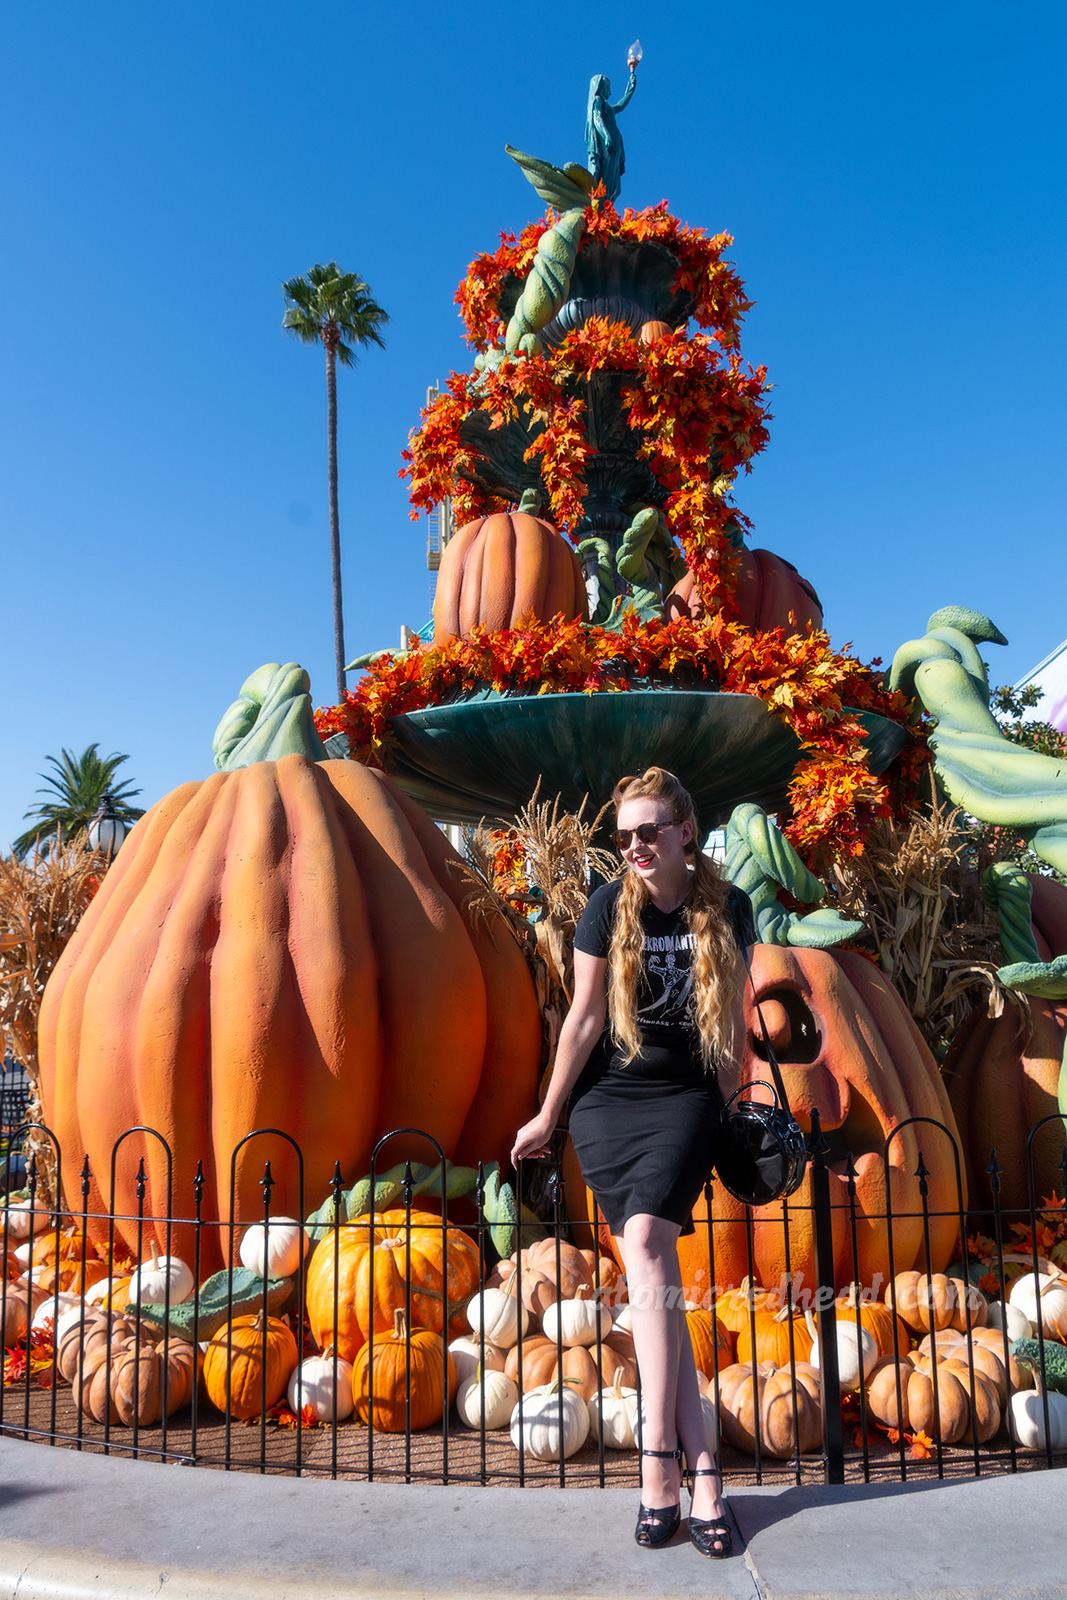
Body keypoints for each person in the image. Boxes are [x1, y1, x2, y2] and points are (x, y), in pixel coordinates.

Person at [511, 767, 754, 1560]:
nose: (635, 847)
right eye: (623, 838)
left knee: (647, 1245)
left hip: (684, 1098)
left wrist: (735, 1117)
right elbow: (581, 1022)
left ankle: (659, 1464)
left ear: (685, 829)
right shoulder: (605, 907)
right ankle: (704, 1473)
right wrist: (549, 1113)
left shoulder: (728, 908)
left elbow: (729, 1040)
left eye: (648, 831)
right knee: (654, 1279)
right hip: (611, 1102)